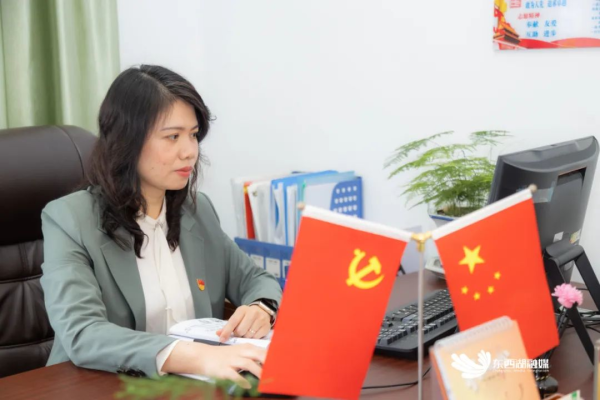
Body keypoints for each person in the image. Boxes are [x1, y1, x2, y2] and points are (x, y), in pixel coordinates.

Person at [40, 65, 282, 386]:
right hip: (98, 385)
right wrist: (196, 356)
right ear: (127, 141)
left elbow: (256, 279)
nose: (189, 152)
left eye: (193, 135)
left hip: (190, 386)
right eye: (172, 137)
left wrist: (261, 308)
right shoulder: (69, 219)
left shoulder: (198, 211)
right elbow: (83, 333)